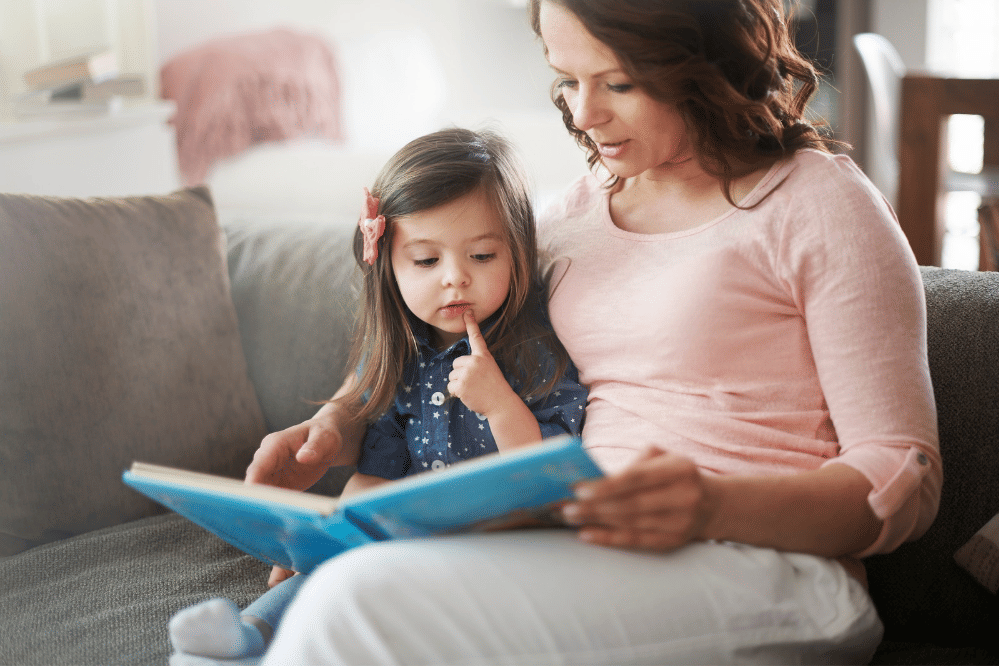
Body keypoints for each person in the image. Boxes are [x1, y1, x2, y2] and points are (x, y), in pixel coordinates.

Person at [247, 1, 943, 664]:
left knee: (359, 605)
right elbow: (434, 338)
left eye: (618, 81)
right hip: (579, 542)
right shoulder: (568, 217)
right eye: (567, 79)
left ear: (706, 61)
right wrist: (339, 421)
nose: (584, 112)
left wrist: (709, 505)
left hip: (772, 573)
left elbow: (905, 477)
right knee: (347, 581)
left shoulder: (819, 204)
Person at [167, 127, 587, 663]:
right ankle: (246, 633)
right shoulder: (400, 354)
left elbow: (551, 481)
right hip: (403, 543)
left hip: (498, 550)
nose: (455, 279)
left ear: (517, 255)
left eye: (482, 256)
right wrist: (326, 540)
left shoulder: (536, 351)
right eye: (427, 261)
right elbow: (375, 472)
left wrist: (500, 404)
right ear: (388, 265)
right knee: (315, 579)